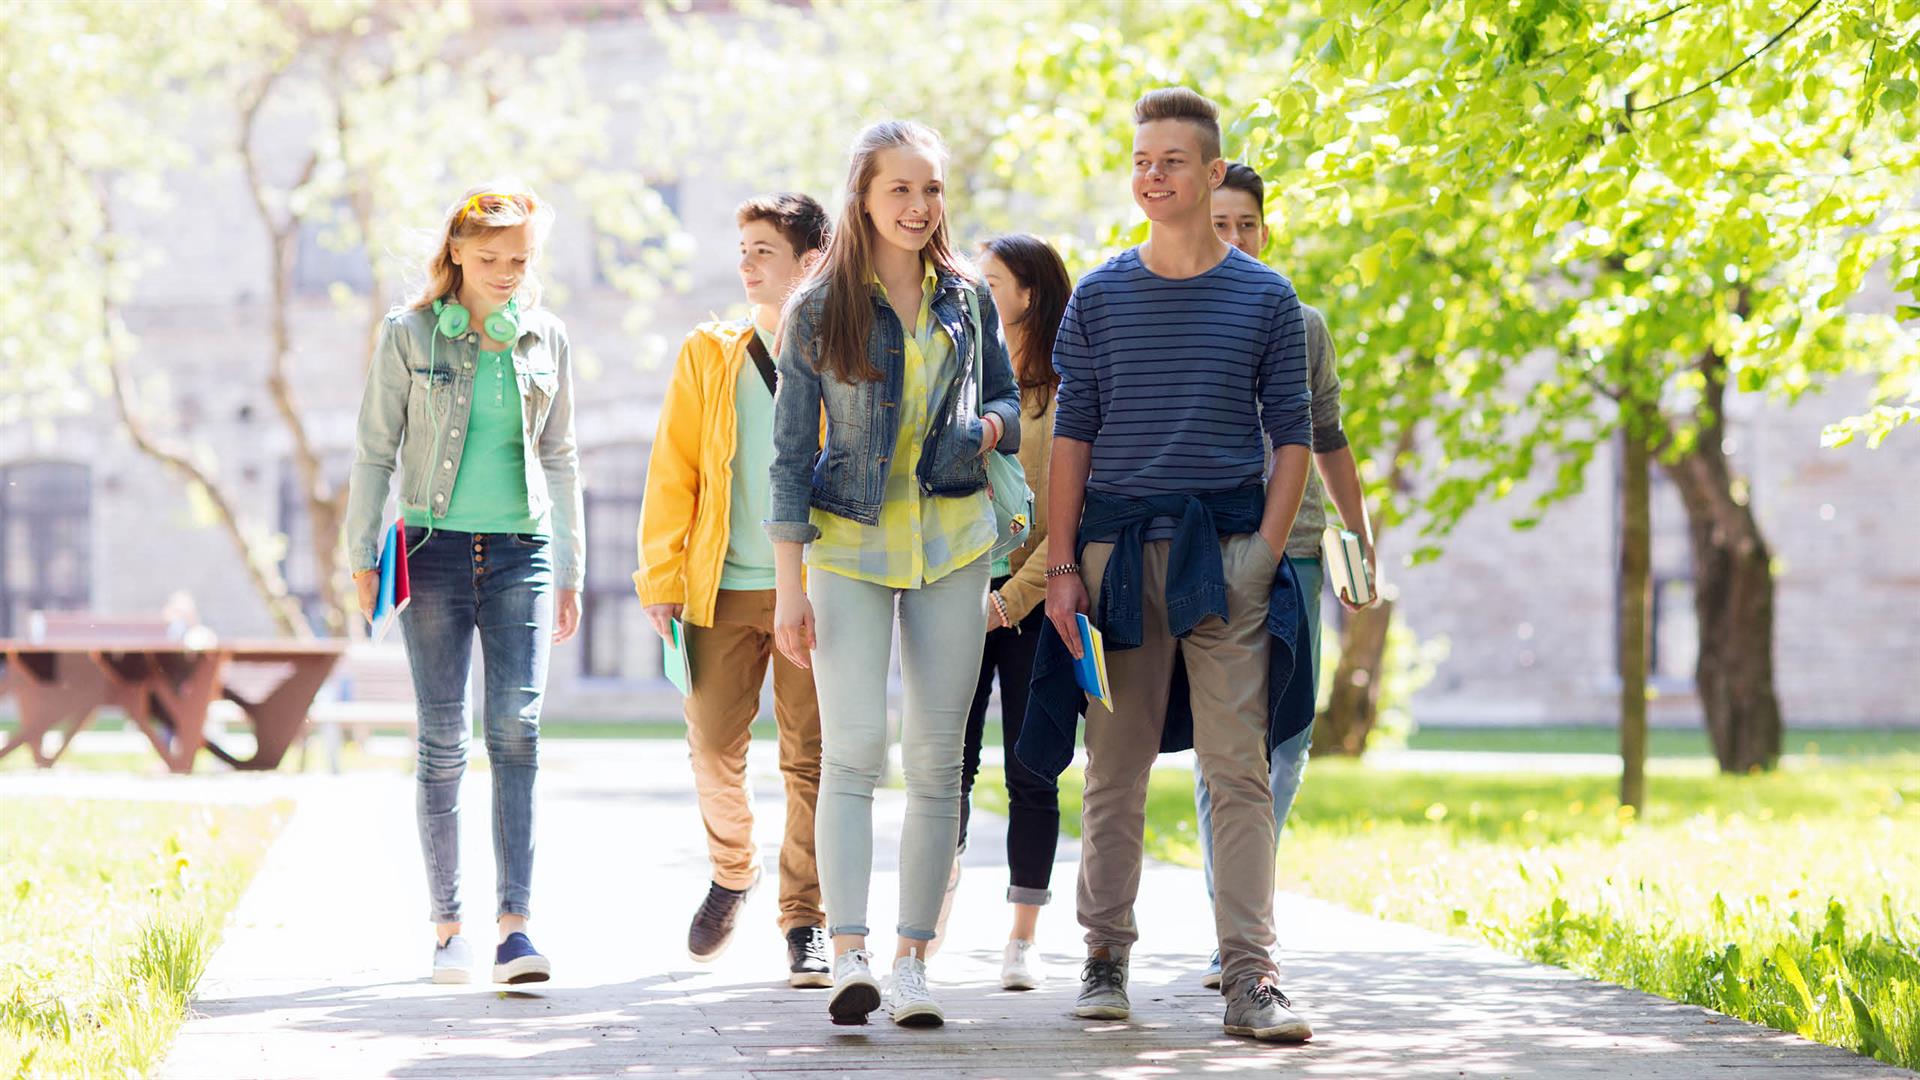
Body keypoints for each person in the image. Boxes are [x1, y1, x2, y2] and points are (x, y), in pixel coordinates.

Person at [1023, 88, 1315, 1042]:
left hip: (1224, 558)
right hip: (1113, 562)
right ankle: (1103, 956)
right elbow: (1073, 439)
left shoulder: (1268, 298)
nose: (1154, 176)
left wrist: (1262, 555)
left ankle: (1251, 977)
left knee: (1241, 773)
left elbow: (1294, 439)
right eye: (1143, 161)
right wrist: (1061, 568)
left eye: (1173, 161)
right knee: (1115, 770)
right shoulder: (1101, 297)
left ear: (1215, 172)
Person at [766, 120, 1020, 1028]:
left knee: (938, 759)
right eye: (899, 191)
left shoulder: (965, 297)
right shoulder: (818, 307)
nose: (919, 208)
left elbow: (1004, 402)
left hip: (955, 539)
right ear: (863, 199)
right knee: (854, 751)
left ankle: (915, 961)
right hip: (849, 547)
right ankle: (850, 956)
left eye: (932, 190)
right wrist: (790, 587)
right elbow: (791, 456)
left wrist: (989, 430)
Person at [346, 185, 584, 986]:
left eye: (520, 260)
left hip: (524, 551)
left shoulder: (545, 337)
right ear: (455, 253)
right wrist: (359, 555)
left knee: (517, 730)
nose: (507, 273)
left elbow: (563, 457)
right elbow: (375, 452)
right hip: (430, 550)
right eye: (489, 259)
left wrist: (571, 570)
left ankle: (515, 929)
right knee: (442, 739)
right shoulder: (409, 336)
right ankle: (448, 927)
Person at [1189, 162, 1378, 989]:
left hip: (1298, 549)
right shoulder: (1176, 315)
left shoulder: (1302, 325)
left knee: (1287, 745)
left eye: (1248, 225)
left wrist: (1361, 542)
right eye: (1220, 223)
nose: (1235, 239)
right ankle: (1238, 932)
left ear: (1267, 230)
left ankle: (1240, 912)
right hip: (1207, 552)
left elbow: (1329, 436)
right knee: (1223, 750)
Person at [637, 193, 833, 987]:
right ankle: (732, 870)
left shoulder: (843, 354)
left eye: (763, 250)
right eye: (742, 248)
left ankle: (805, 920)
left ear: (810, 262)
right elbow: (672, 468)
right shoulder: (708, 352)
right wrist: (661, 573)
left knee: (809, 761)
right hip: (719, 586)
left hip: (816, 590)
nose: (745, 263)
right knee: (714, 748)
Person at [927, 234, 1071, 992]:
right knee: (946, 767)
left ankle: (1022, 937)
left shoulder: (1065, 397)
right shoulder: (958, 381)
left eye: (991, 281)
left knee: (1031, 769)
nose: (976, 291)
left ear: (1029, 295)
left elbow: (1063, 526)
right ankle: (930, 916)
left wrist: (1007, 602)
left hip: (1031, 608)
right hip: (953, 598)